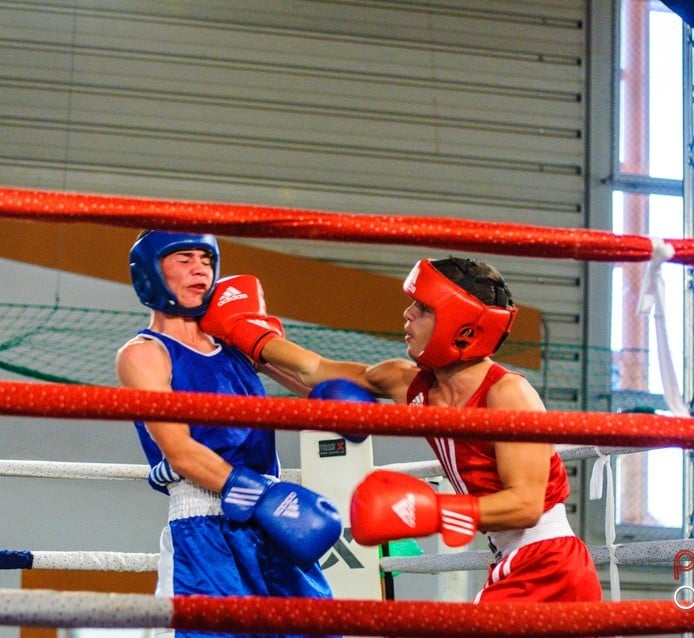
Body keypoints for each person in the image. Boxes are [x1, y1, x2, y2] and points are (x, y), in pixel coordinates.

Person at [199, 255, 603, 605]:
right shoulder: (408, 382)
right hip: (512, 561)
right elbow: (320, 376)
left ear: (461, 325)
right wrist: (250, 340)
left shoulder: (508, 393)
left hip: (548, 563)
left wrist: (431, 511)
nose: (407, 315)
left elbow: (527, 504)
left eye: (422, 308)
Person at [115, 230, 341, 638]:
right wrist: (260, 495)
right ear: (150, 271)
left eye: (206, 259)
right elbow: (180, 451)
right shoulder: (145, 353)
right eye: (183, 259)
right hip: (207, 524)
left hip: (274, 522)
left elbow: (318, 392)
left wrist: (265, 339)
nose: (199, 268)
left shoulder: (234, 342)